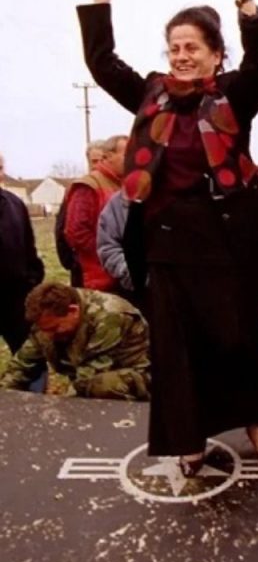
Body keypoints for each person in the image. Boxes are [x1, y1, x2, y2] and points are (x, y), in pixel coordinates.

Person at [77, 0, 258, 476]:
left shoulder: (235, 92)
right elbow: (102, 61)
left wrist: (248, 11)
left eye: (192, 47)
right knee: (178, 347)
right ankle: (188, 437)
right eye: (174, 47)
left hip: (226, 239)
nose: (182, 55)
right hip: (167, 241)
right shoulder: (152, 92)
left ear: (216, 53)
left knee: (240, 341)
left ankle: (256, 426)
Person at [0, 282, 149, 400]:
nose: (48, 335)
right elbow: (20, 366)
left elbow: (89, 376)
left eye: (54, 328)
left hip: (134, 377)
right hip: (87, 379)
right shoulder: (47, 322)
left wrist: (64, 412)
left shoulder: (110, 316)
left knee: (102, 385)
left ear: (73, 311)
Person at [64, 134, 128, 292]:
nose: (133, 158)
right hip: (102, 278)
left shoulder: (125, 184)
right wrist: (110, 255)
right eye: (127, 154)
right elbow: (76, 233)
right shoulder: (88, 186)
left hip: (124, 274)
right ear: (109, 156)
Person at [0, 152, 45, 368]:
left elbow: (29, 247)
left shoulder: (14, 204)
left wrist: (32, 279)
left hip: (16, 297)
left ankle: (34, 400)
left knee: (31, 358)